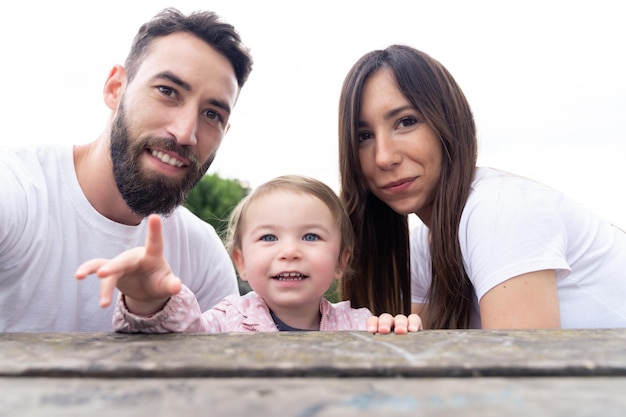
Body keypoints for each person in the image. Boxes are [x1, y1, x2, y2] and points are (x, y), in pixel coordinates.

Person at [337, 44, 626, 330]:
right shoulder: (424, 243)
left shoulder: (500, 211)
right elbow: (423, 354)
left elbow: (521, 370)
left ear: (446, 123)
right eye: (364, 136)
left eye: (406, 122)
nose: (384, 157)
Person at [0, 8, 253, 332]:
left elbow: (217, 377)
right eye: (167, 91)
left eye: (212, 114)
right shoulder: (19, 189)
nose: (186, 132)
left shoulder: (202, 253)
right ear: (115, 88)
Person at [76, 175, 422, 334]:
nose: (289, 251)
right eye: (269, 237)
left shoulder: (358, 325)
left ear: (341, 263)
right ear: (240, 262)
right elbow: (176, 335)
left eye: (311, 236)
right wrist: (149, 300)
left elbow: (394, 360)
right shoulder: (225, 322)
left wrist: (399, 328)